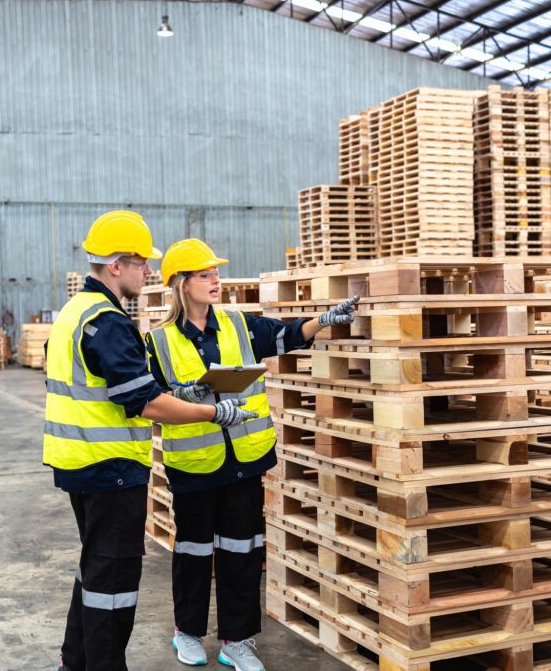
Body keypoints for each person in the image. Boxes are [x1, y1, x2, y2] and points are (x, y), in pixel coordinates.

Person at [45, 213, 259, 671]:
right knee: (114, 583)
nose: (149, 273)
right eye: (143, 264)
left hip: (80, 463)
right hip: (109, 466)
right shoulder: (108, 321)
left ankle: (75, 661)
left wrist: (178, 393)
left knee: (93, 571)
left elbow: (118, 387)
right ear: (117, 265)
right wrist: (212, 411)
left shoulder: (74, 312)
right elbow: (144, 402)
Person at [144, 238, 359, 671]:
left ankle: (237, 641)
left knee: (242, 552)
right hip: (196, 466)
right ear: (182, 284)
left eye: (215, 273)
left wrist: (323, 320)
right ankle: (187, 632)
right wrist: (184, 395)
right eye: (206, 275)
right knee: (193, 553)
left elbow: (285, 336)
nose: (216, 280)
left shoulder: (238, 325)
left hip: (243, 461)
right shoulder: (159, 341)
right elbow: (150, 398)